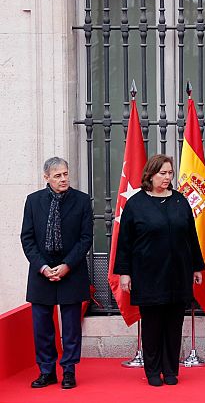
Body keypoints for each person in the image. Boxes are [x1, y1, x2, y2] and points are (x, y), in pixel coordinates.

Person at [114, 154, 205, 387]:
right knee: (153, 326)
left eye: (170, 173)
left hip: (178, 273)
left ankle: (171, 369)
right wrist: (124, 272)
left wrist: (197, 266)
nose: (167, 177)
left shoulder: (179, 201)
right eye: (162, 173)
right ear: (150, 175)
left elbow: (191, 236)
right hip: (148, 275)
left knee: (174, 325)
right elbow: (124, 242)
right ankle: (153, 371)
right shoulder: (136, 204)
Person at [20, 157, 92, 389]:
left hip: (71, 270)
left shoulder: (81, 201)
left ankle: (69, 370)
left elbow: (85, 239)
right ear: (46, 178)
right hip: (41, 272)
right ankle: (46, 371)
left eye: (66, 174)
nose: (64, 179)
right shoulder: (33, 201)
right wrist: (42, 267)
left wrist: (67, 265)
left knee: (71, 327)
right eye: (58, 175)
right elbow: (27, 238)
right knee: (42, 326)